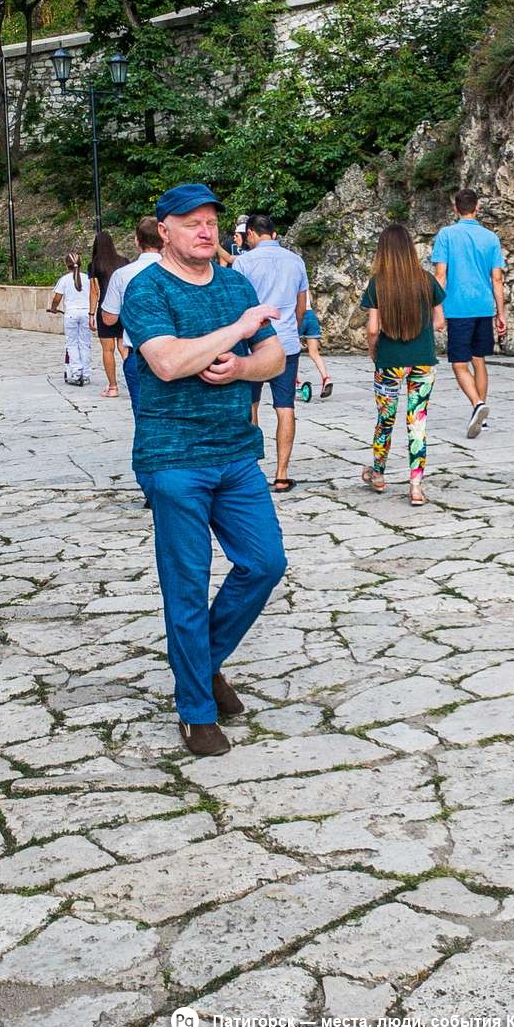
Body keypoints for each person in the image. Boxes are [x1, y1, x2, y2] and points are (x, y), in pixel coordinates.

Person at [120, 182, 288, 758]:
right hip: (173, 459)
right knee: (187, 584)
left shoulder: (235, 282)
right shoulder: (148, 289)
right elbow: (167, 363)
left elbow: (274, 356)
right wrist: (238, 330)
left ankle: (204, 663)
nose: (205, 229)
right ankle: (196, 710)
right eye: (190, 221)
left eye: (211, 220)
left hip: (236, 453)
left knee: (266, 562)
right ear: (162, 229)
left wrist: (243, 366)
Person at [361, 224, 446, 508]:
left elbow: (373, 329)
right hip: (422, 361)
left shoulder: (377, 283)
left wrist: (375, 353)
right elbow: (439, 322)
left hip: (389, 362)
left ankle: (379, 475)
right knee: (417, 423)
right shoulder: (426, 280)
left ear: (383, 251)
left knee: (385, 420)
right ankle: (416, 486)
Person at [234, 214, 311, 492]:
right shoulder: (296, 261)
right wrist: (293, 329)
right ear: (274, 233)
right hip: (287, 343)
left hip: (254, 344)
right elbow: (302, 305)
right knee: (285, 407)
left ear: (252, 234)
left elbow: (237, 304)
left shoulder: (243, 262)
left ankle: (252, 470)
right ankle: (281, 473)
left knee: (250, 405)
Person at [431, 188, 506, 439]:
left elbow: (440, 275)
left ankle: (477, 404)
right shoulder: (491, 238)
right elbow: (497, 279)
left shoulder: (446, 235)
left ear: (455, 209)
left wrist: (437, 310)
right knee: (479, 360)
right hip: (484, 307)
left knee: (459, 363)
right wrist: (501, 313)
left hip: (458, 308)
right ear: (478, 207)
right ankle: (481, 418)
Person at [100, 216, 164, 413]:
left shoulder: (123, 274)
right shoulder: (180, 270)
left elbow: (109, 318)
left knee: (142, 413)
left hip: (138, 352)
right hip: (178, 351)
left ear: (137, 241)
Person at [48, 252, 95, 385]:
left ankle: (76, 371)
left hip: (71, 314)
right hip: (86, 313)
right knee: (85, 343)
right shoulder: (87, 278)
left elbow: (57, 298)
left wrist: (53, 308)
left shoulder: (64, 279)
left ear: (66, 264)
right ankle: (86, 373)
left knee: (72, 343)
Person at [89, 229, 125, 398]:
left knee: (107, 350)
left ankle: (113, 387)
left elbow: (94, 292)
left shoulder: (95, 265)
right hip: (123, 309)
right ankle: (135, 382)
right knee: (124, 347)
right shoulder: (123, 261)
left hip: (105, 310)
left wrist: (90, 314)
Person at [298, 307, 333, 400]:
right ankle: (326, 378)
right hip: (311, 316)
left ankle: (296, 382)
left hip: (298, 315)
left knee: (292, 353)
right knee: (314, 353)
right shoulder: (306, 291)